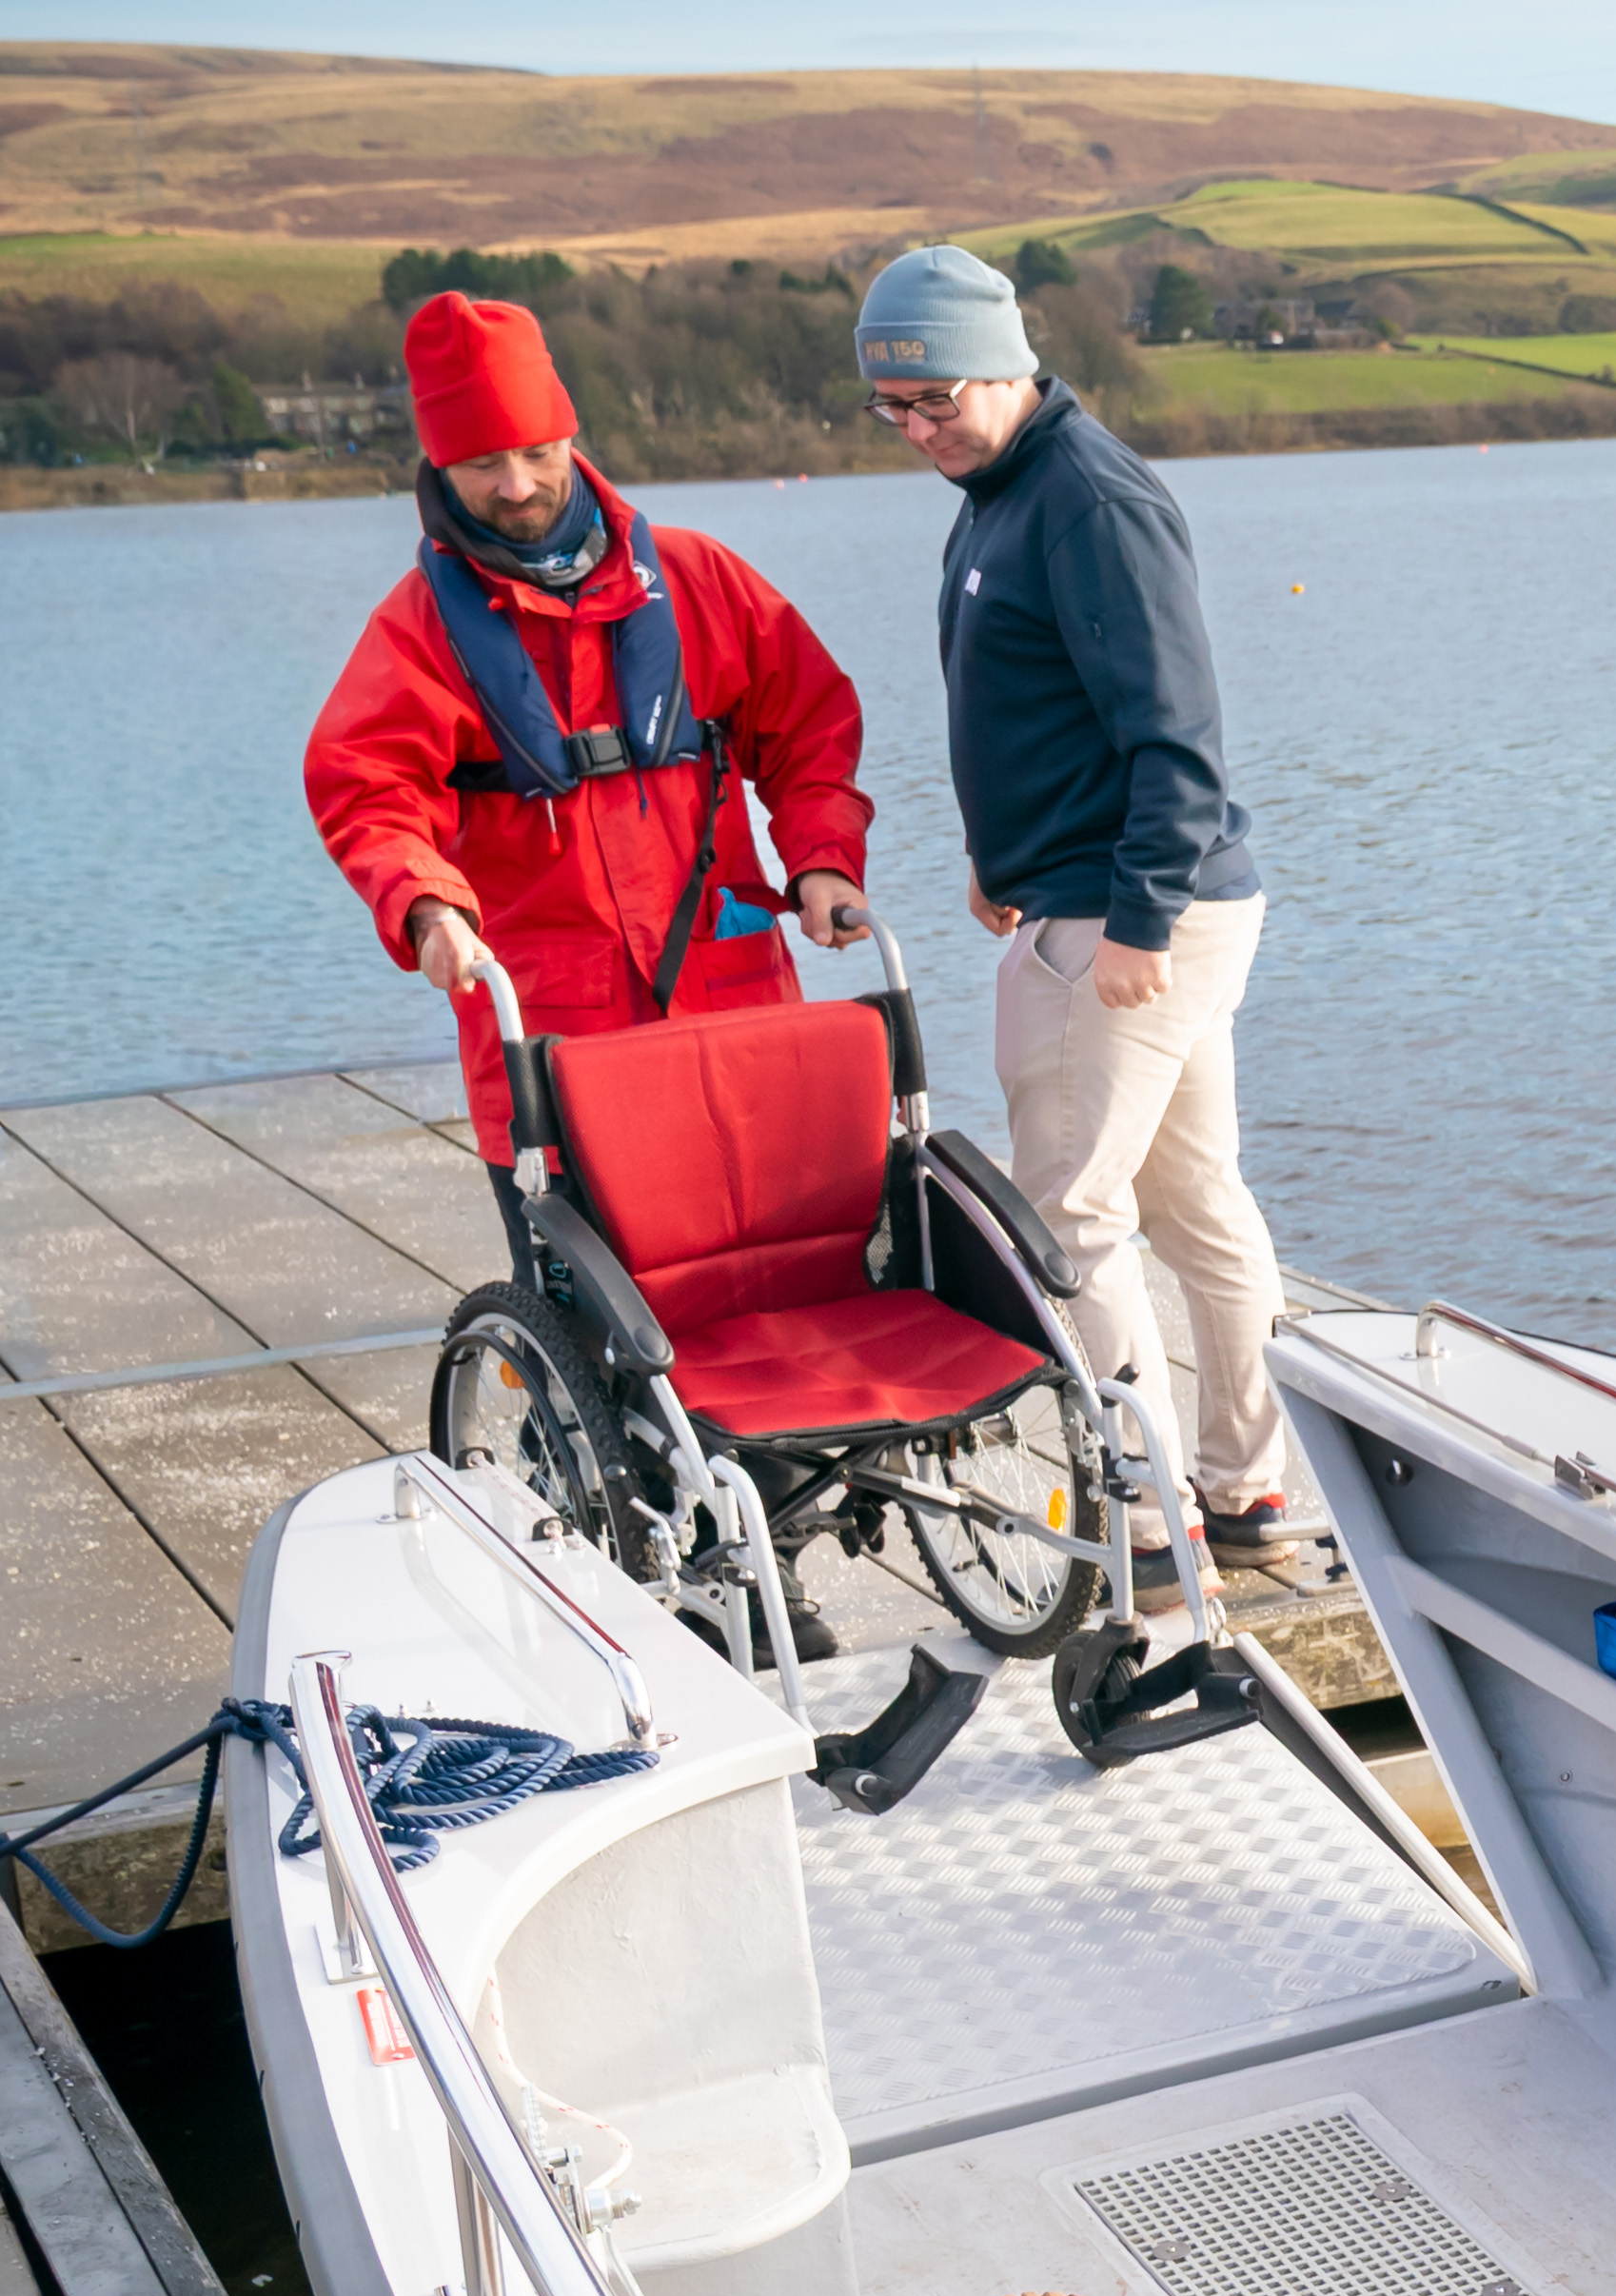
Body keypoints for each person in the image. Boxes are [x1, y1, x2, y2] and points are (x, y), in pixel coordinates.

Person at [851, 243, 1308, 1584]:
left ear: (1008, 362)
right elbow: (1041, 702)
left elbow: (1176, 731)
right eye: (895, 410)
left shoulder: (1086, 497)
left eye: (938, 399)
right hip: (1086, 890)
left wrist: (1136, 922)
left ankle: (1148, 1523)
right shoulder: (1003, 485)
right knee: (1195, 1203)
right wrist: (1000, 855)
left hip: (1122, 916)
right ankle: (1240, 1493)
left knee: (1071, 1221)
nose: (921, 429)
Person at [305, 288, 875, 1174]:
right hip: (553, 1034)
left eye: (537, 452)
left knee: (794, 1275)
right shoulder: (417, 630)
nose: (518, 485)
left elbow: (811, 730)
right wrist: (424, 909)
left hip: (733, 1001)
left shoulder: (698, 578)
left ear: (570, 434)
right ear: (438, 462)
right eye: (484, 463)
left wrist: (824, 857)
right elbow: (365, 789)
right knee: (596, 1303)